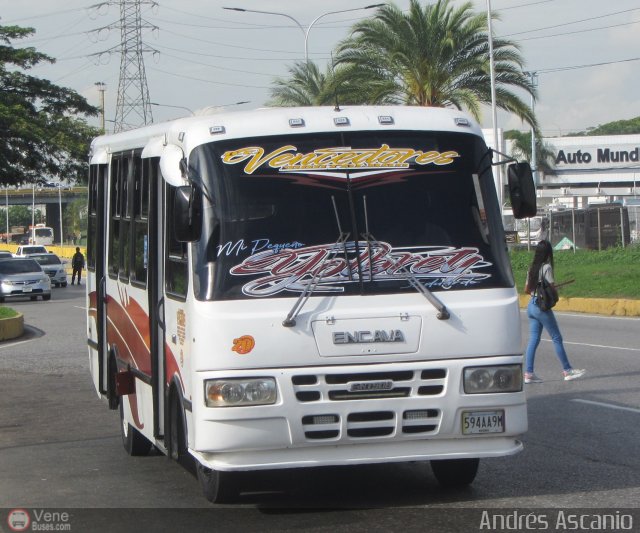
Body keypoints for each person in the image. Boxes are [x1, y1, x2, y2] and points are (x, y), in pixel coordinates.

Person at [523, 240, 585, 384]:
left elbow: (527, 290)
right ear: (548, 253)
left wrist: (539, 288)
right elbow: (552, 289)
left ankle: (529, 373)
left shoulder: (531, 268)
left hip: (531, 306)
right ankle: (567, 371)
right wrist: (550, 290)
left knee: (533, 339)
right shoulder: (547, 268)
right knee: (556, 338)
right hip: (541, 307)